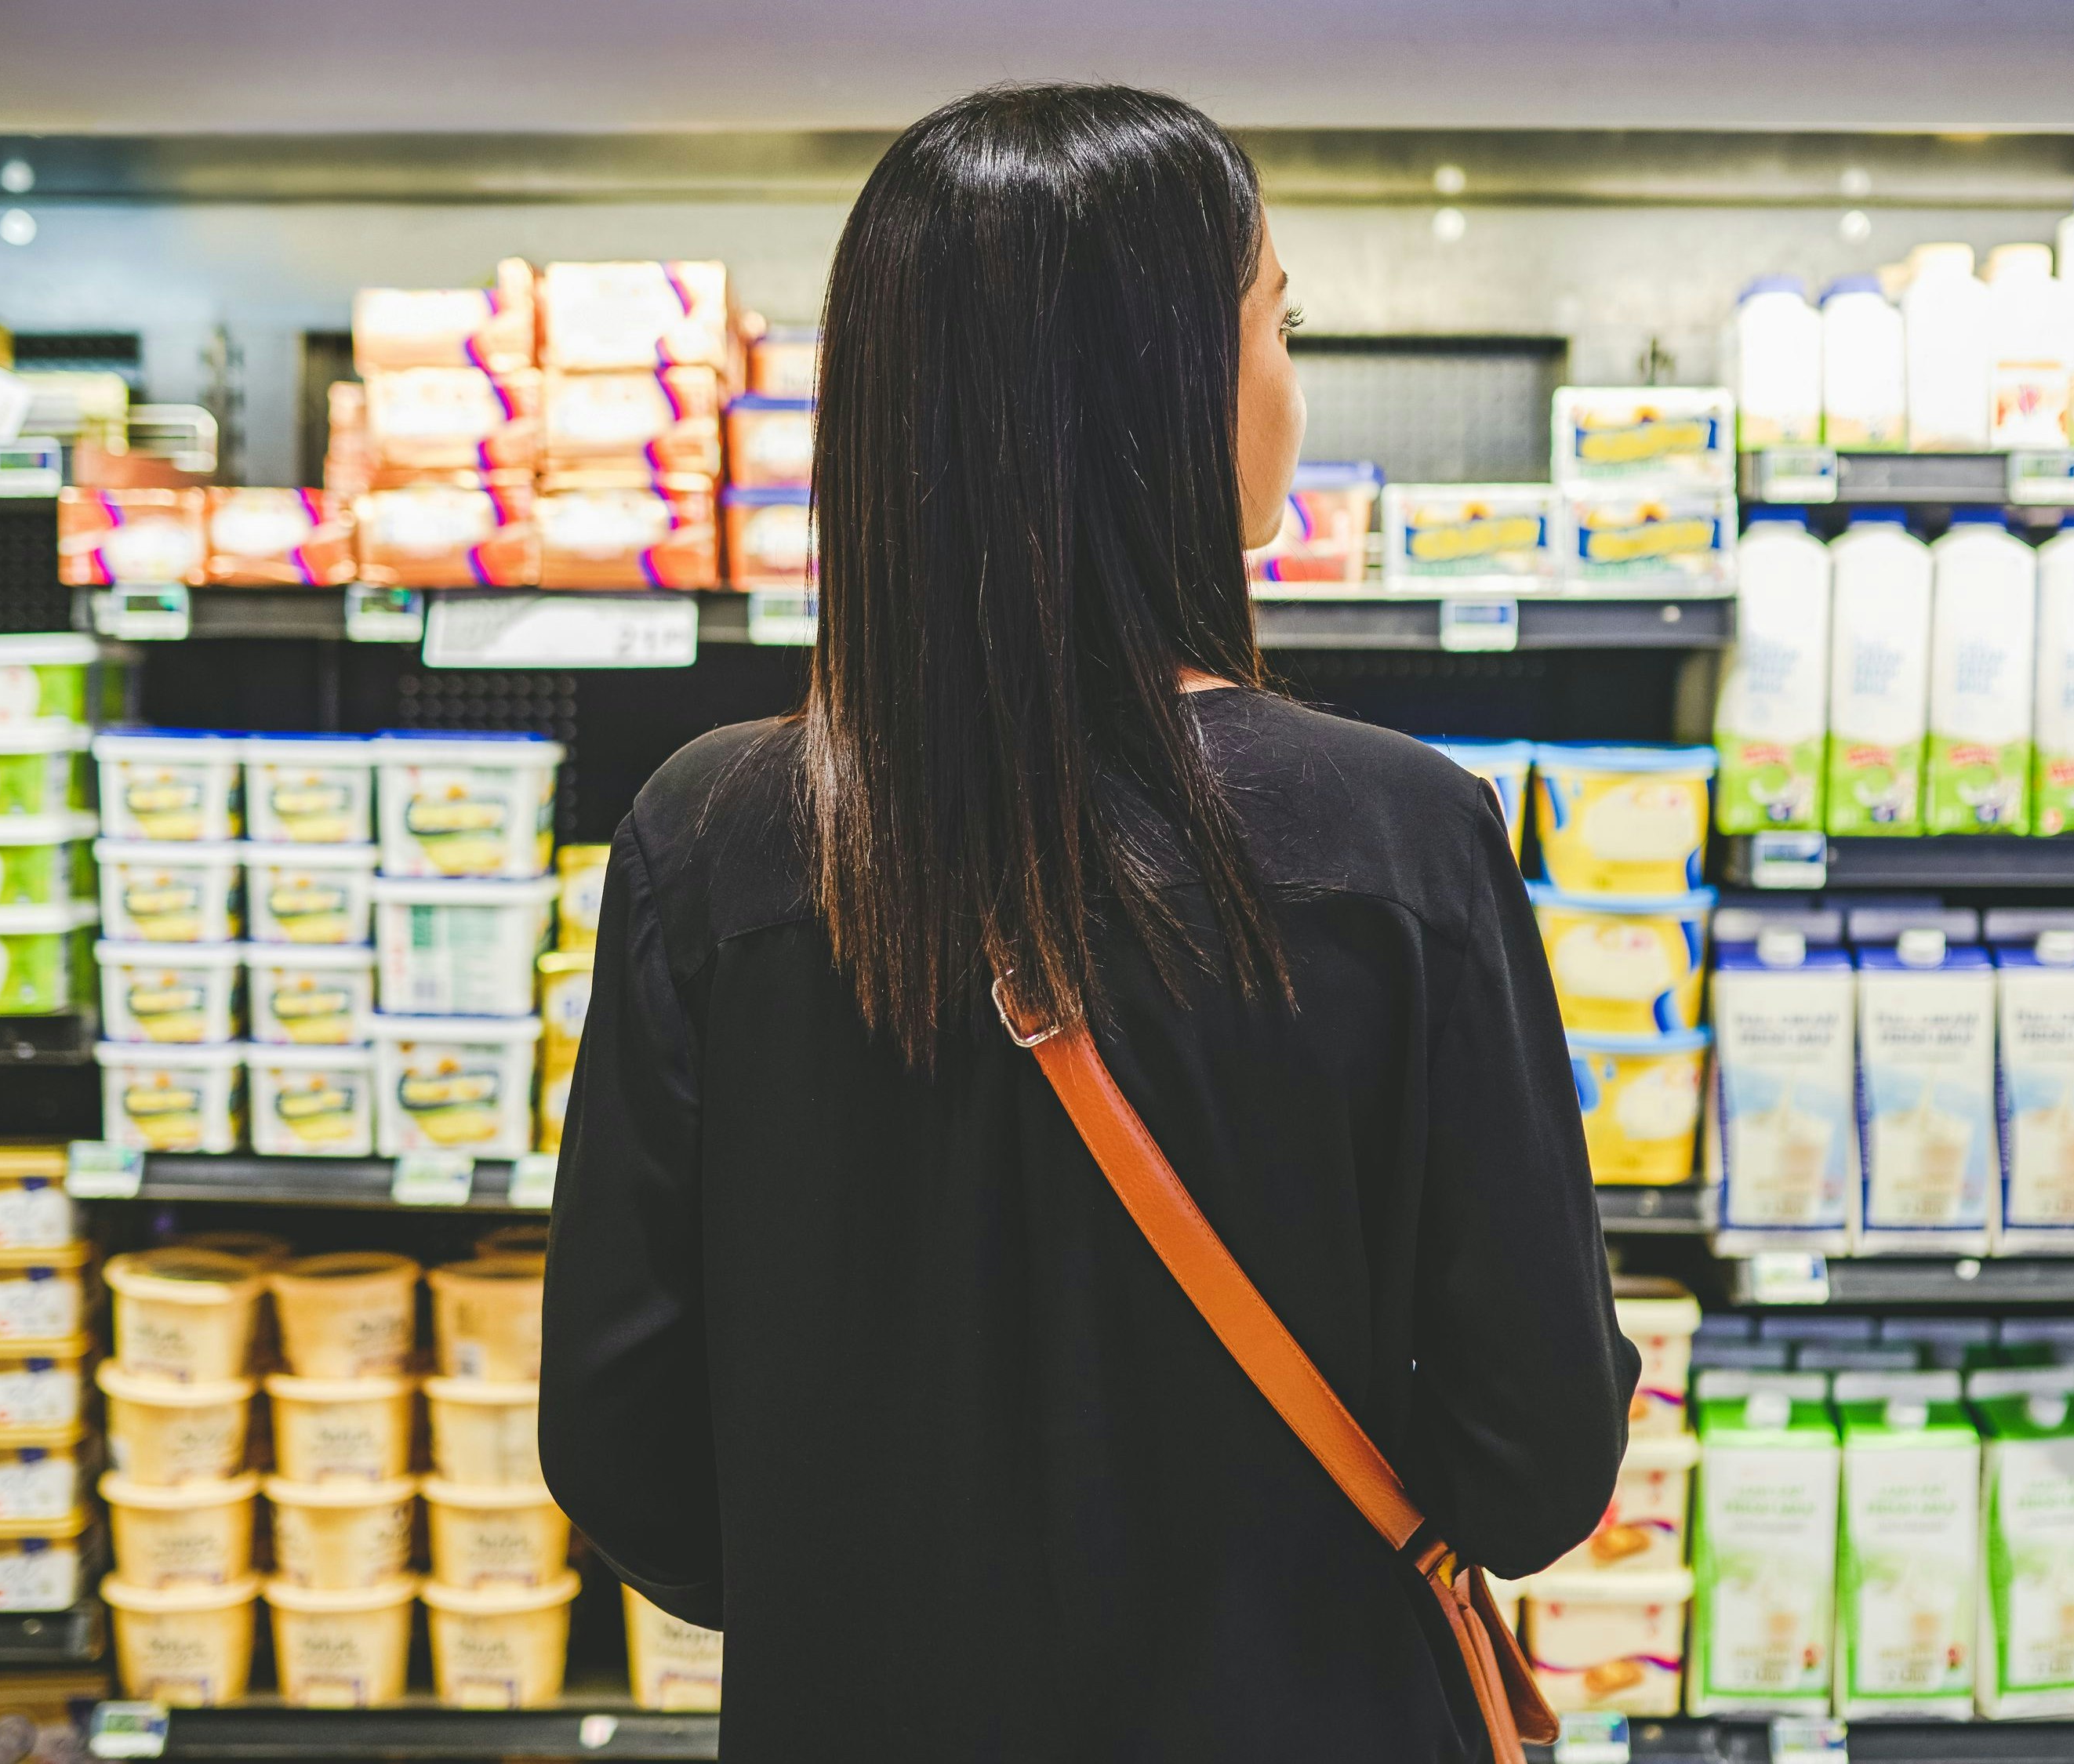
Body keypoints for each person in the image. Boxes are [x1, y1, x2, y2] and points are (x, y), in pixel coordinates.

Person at [541, 82, 1635, 1762]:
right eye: (1280, 323)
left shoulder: (711, 836)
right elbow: (1534, 1458)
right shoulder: (1395, 834)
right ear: (1172, 385)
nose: (1286, 378)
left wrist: (869, 1592)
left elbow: (621, 1448)